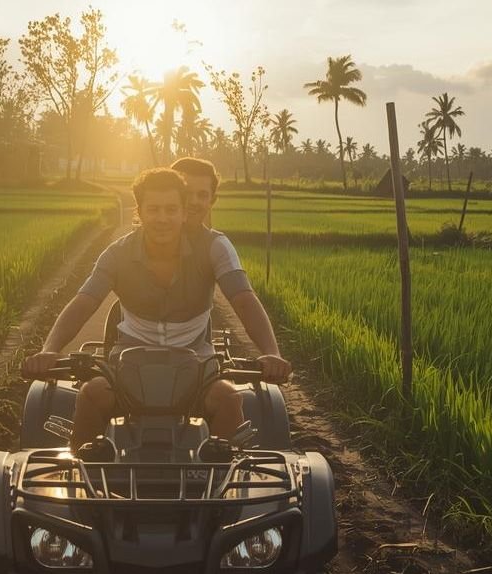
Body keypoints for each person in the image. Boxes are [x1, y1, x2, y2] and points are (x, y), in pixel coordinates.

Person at [22, 166, 291, 452]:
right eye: (153, 209)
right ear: (139, 211)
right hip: (126, 368)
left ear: (183, 212)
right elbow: (83, 302)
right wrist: (50, 350)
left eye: (171, 209)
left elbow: (244, 300)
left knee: (229, 398)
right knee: (90, 394)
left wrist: (271, 353)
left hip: (198, 368)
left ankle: (221, 470)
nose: (162, 218)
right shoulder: (117, 253)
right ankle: (84, 468)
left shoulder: (215, 246)